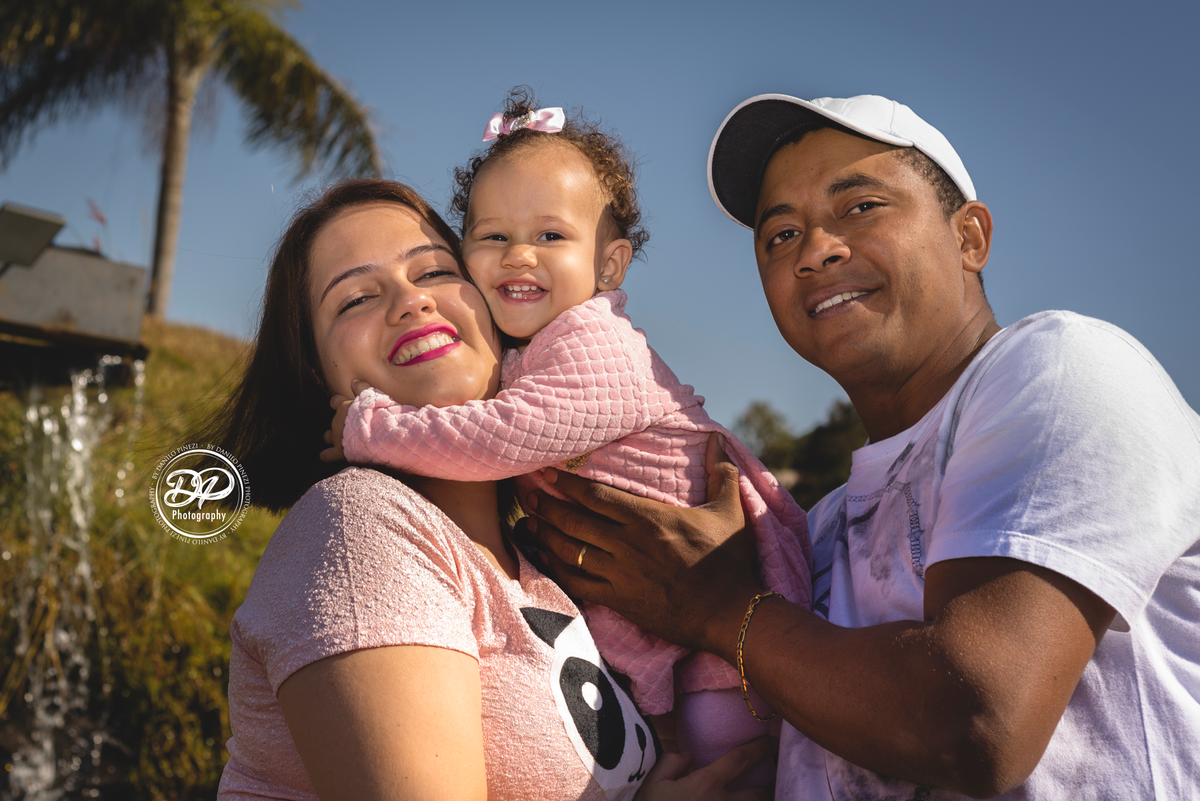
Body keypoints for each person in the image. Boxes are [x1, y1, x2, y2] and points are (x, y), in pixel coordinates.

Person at [524, 93, 1200, 800]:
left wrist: (722, 610)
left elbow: (975, 722)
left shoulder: (1060, 368)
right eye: (780, 235)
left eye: (860, 208)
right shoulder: (814, 533)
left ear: (970, 237)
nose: (815, 249)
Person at [209, 179, 772, 800]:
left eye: (433, 272)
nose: (409, 302)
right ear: (315, 368)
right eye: (356, 299)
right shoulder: (360, 526)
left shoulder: (540, 569)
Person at [321, 89, 811, 778]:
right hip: (661, 634)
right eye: (493, 236)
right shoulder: (527, 356)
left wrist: (372, 426)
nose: (519, 255)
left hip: (719, 669)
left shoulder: (596, 345)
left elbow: (498, 436)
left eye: (550, 236)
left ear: (609, 265)